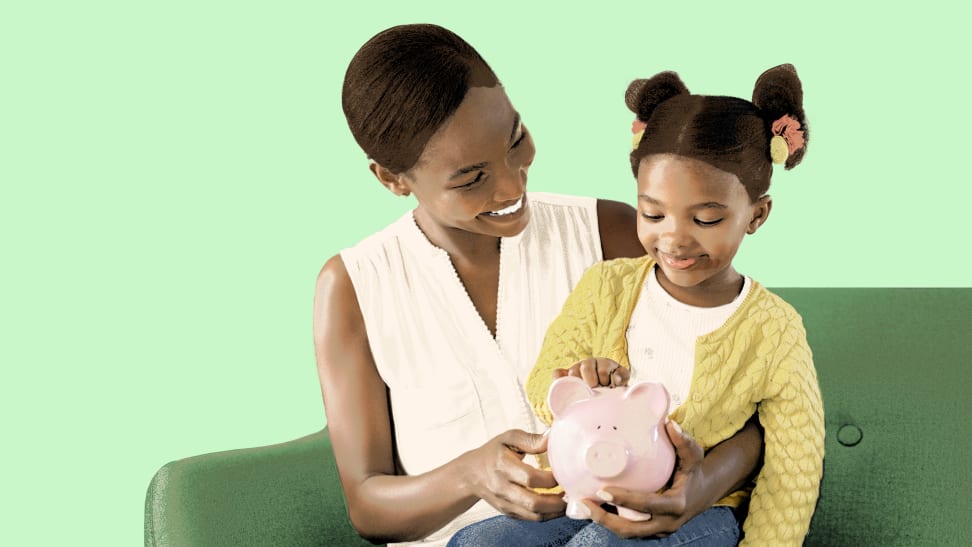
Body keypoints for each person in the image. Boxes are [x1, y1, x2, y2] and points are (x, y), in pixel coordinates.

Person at [314, 24, 765, 546]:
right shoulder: (354, 286)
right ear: (392, 179)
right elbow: (369, 505)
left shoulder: (612, 234)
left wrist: (702, 484)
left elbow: (751, 396)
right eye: (471, 178)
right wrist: (468, 474)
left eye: (515, 139)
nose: (511, 184)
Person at [449, 65, 825, 546]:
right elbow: (545, 382)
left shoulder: (774, 330)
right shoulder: (607, 286)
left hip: (700, 513)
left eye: (706, 218)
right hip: (589, 493)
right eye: (653, 213)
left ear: (756, 214)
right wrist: (577, 377)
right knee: (476, 543)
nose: (674, 238)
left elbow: (795, 464)